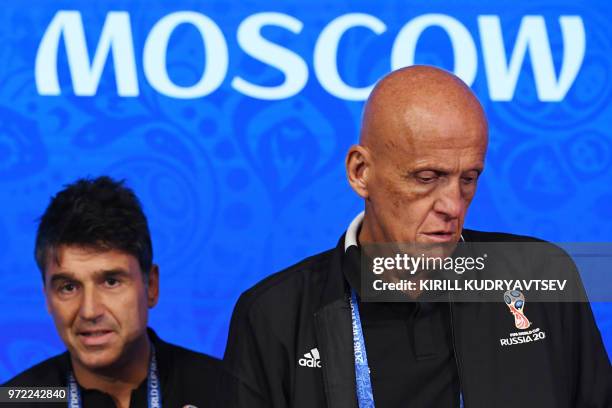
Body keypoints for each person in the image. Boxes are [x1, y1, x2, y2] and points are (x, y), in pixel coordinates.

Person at [224, 66, 611, 407]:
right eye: (427, 178)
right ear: (361, 172)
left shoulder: (541, 277)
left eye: (468, 179)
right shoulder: (274, 314)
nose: (453, 205)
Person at [3, 176, 231, 408]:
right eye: (68, 287)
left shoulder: (224, 390)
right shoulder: (17, 399)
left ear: (151, 286)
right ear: (47, 298)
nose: (89, 311)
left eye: (111, 282)